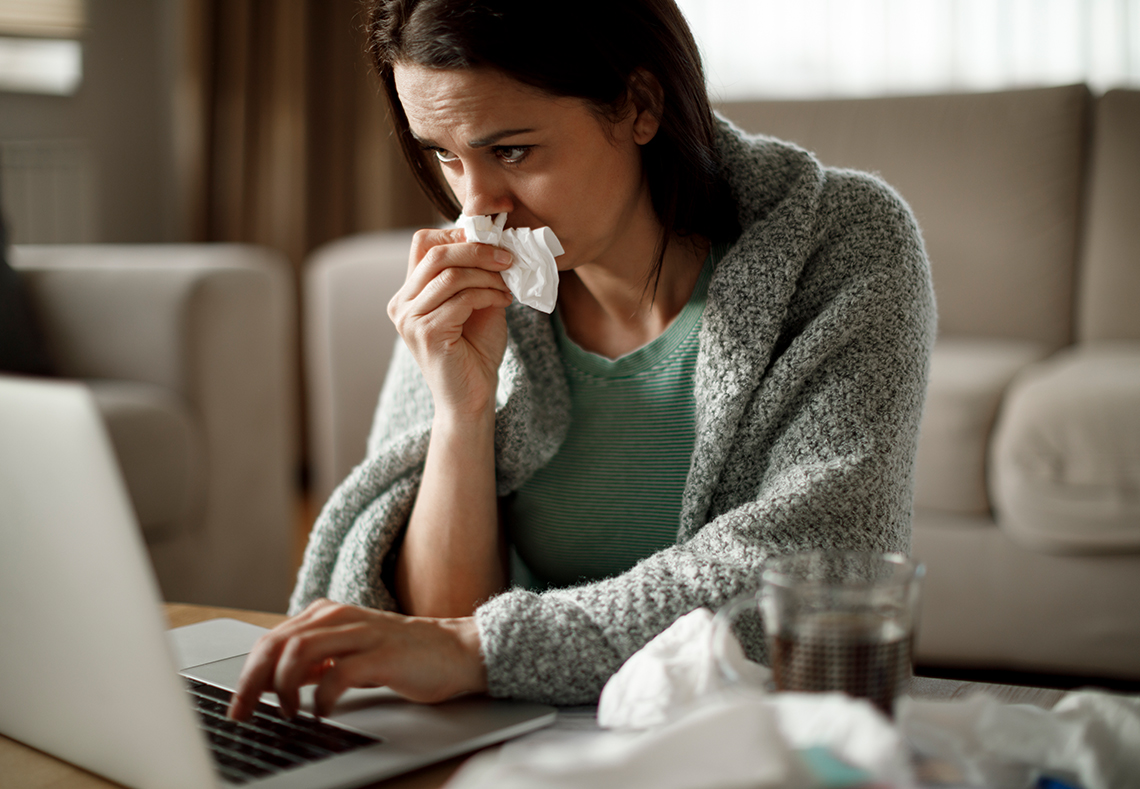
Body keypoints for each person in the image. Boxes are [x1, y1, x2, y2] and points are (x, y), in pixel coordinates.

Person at [228, 0, 935, 721]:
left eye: (511, 152)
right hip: (523, 736)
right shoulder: (470, 288)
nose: (479, 209)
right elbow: (437, 636)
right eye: (444, 154)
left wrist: (487, 651)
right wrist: (459, 411)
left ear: (640, 105)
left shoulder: (844, 244)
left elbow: (811, 569)